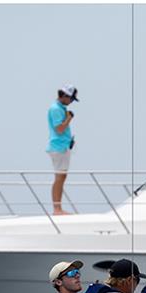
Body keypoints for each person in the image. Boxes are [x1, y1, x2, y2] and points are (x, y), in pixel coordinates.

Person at [46, 85, 78, 216]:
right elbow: (59, 129)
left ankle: (58, 209)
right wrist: (69, 118)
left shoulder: (60, 108)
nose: (71, 102)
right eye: (71, 99)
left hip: (63, 147)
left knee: (61, 177)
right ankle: (57, 209)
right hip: (58, 148)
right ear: (64, 96)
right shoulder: (55, 109)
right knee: (59, 177)